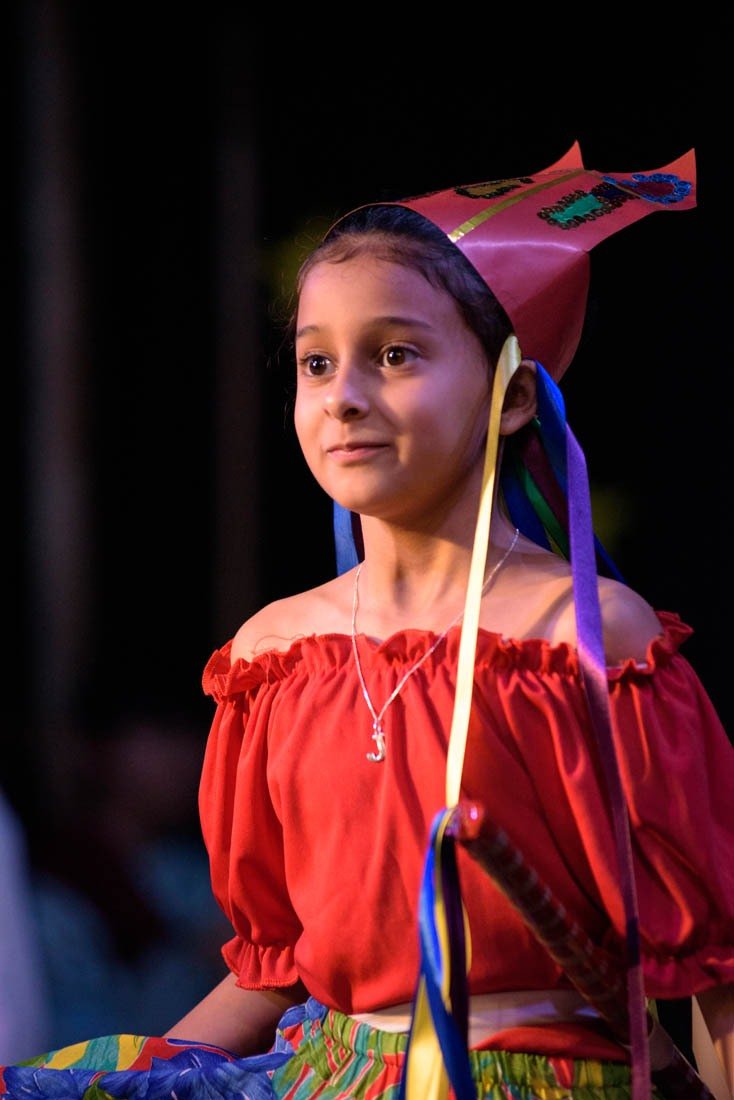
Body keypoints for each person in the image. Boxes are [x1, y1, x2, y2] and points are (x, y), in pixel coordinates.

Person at [2, 144, 732, 1100]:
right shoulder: (273, 658)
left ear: (513, 395)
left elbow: (717, 972)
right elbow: (271, 973)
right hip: (330, 1075)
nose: (344, 396)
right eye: (317, 362)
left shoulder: (586, 640)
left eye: (394, 355)